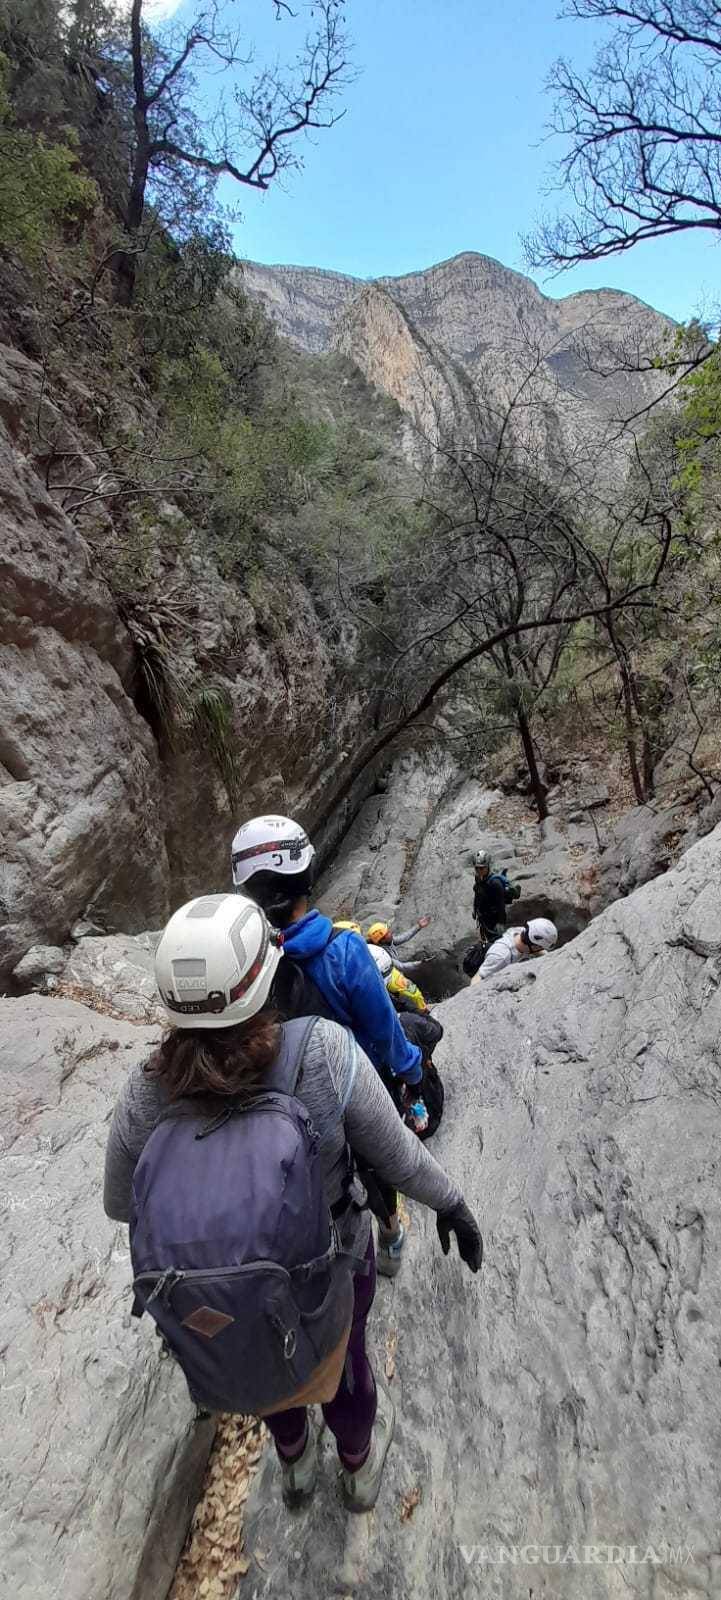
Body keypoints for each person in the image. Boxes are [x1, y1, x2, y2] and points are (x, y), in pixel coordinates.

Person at [103, 892, 482, 1515]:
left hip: (227, 1299)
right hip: (329, 1266)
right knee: (344, 1361)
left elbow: (123, 1204)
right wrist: (453, 1204)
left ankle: (296, 1464)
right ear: (265, 974)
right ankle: (357, 1473)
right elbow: (396, 1157)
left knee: (269, 1363)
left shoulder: (147, 1092)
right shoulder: (322, 1052)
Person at [230, 814, 424, 1278]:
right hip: (353, 1084)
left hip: (280, 1097)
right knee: (376, 1162)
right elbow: (384, 1029)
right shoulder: (344, 950)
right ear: (306, 875)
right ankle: (391, 1235)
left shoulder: (246, 959)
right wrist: (412, 1070)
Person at [471, 917, 558, 983]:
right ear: (535, 947)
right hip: (493, 967)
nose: (541, 950)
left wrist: (550, 959)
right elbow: (478, 977)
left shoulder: (522, 931)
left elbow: (539, 951)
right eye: (541, 947)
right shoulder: (502, 957)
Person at [471, 850, 521, 944]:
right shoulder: (478, 879)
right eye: (477, 868)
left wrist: (501, 923)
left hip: (493, 919)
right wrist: (475, 909)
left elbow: (500, 904)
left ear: (488, 866)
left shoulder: (495, 883)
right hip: (484, 919)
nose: (479, 871)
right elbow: (477, 895)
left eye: (482, 868)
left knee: (497, 943)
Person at [367, 942, 429, 1016]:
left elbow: (401, 966)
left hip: (391, 973)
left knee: (415, 993)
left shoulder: (371, 947)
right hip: (378, 981)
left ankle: (424, 1010)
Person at [365, 916, 431, 972]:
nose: (390, 933)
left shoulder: (386, 942)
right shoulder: (382, 955)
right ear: (382, 940)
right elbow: (402, 967)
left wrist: (418, 926)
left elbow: (403, 938)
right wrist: (420, 964)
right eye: (387, 933)